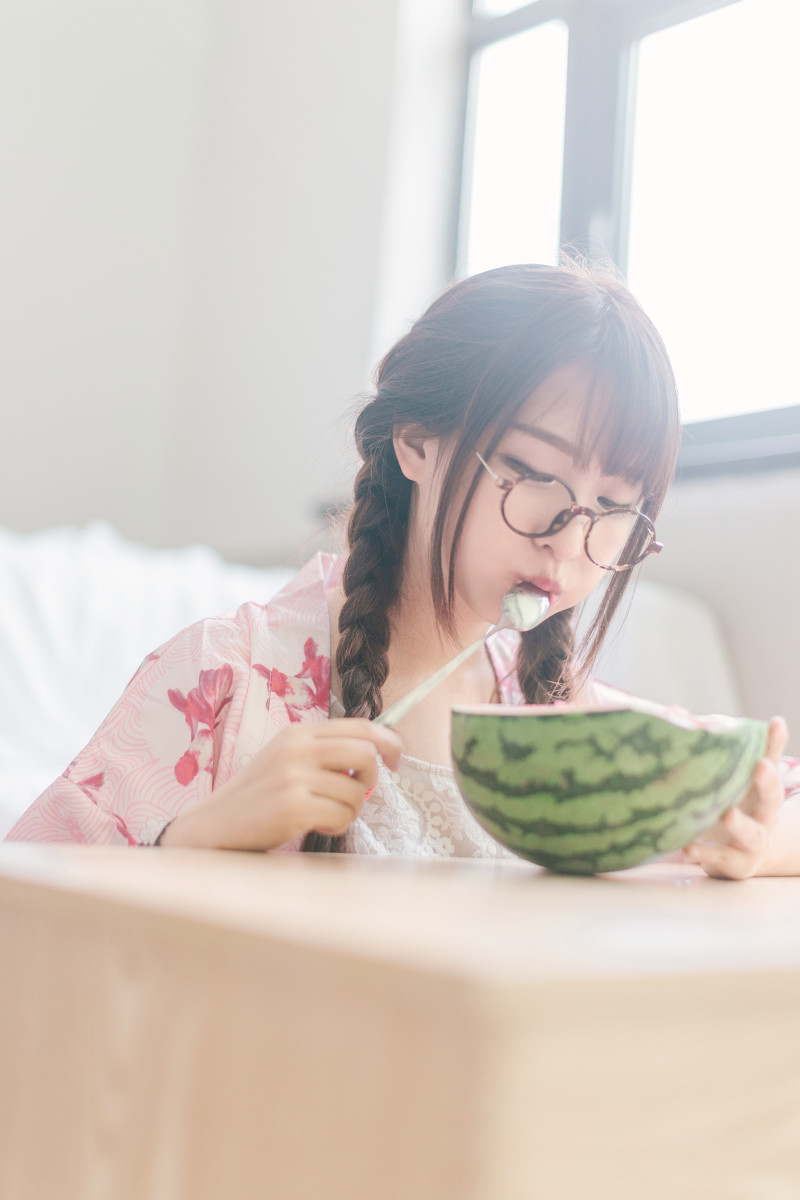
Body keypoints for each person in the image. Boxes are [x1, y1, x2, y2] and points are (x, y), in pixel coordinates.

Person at [6, 262, 799, 877]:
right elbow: (30, 906)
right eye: (532, 476)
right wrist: (194, 841)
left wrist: (753, 839)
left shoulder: (570, 730)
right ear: (417, 441)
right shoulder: (223, 677)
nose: (566, 542)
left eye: (614, 509)